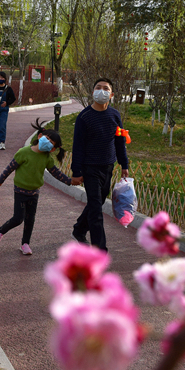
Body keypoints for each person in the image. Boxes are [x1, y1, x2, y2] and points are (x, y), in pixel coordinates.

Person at [0, 120, 81, 255]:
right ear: (40, 136)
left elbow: (56, 173)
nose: (48, 142)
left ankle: (25, 244)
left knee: (30, 219)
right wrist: (0, 180)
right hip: (20, 190)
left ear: (53, 149)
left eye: (52, 143)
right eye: (48, 139)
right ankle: (0, 231)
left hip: (34, 193)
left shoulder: (47, 158)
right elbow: (10, 167)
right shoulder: (24, 152)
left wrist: (70, 181)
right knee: (18, 218)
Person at [70, 77, 130, 251]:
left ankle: (79, 230)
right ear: (93, 92)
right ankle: (100, 251)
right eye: (98, 87)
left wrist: (123, 164)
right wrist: (77, 171)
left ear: (111, 94)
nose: (102, 90)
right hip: (90, 168)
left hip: (108, 166)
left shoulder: (115, 115)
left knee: (98, 202)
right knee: (96, 209)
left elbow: (120, 142)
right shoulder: (84, 117)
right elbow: (78, 145)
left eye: (106, 88)